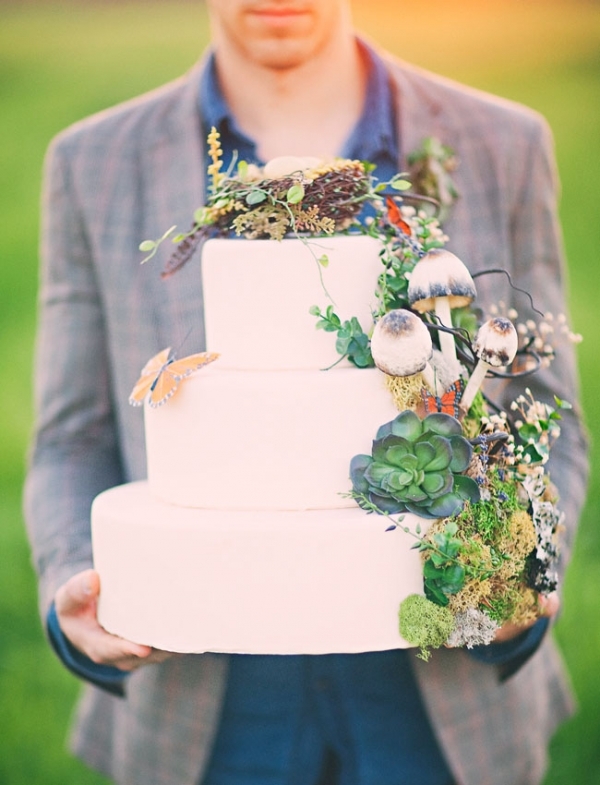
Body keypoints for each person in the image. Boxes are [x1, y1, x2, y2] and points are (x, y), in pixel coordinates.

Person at [24, 2, 588, 784]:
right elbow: (71, 435)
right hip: (206, 706)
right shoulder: (94, 161)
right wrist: (74, 577)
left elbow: (550, 419)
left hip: (438, 707)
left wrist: (523, 573)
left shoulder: (503, 141)